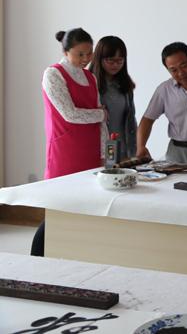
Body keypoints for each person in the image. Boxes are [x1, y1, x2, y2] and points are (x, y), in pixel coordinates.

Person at [34, 28, 107, 256]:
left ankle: (77, 254)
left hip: (91, 151)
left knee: (88, 207)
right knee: (59, 208)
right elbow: (70, 114)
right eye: (80, 54)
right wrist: (101, 114)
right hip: (65, 151)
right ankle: (38, 254)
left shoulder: (90, 77)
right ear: (65, 52)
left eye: (89, 53)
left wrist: (105, 152)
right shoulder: (53, 74)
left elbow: (100, 122)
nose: (86, 59)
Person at [90, 36, 137, 159]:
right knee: (107, 170)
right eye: (110, 61)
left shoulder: (125, 85)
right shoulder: (90, 84)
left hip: (125, 148)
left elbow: (131, 120)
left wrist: (135, 150)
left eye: (120, 61)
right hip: (100, 149)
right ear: (99, 59)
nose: (115, 65)